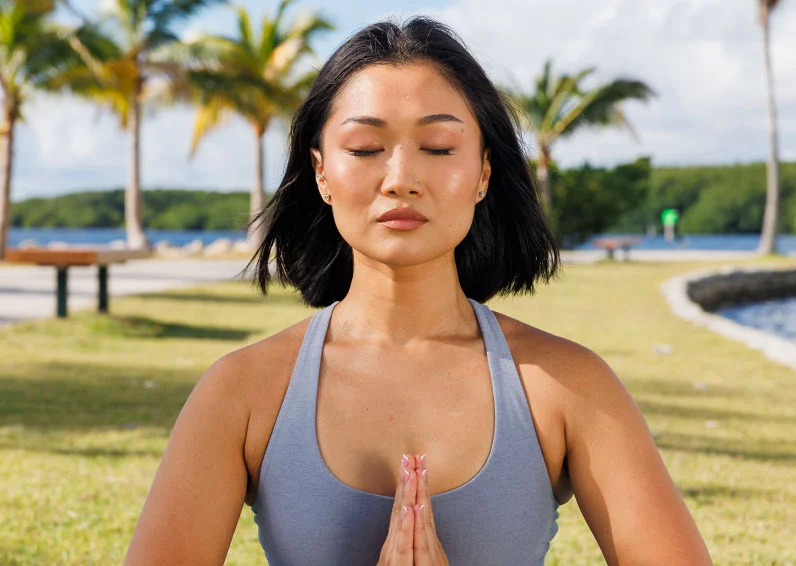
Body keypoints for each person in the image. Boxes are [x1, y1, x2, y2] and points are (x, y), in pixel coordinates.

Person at [124, 16, 713, 566]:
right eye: (364, 149)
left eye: (438, 148)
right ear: (322, 172)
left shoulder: (567, 386)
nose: (401, 179)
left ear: (483, 172)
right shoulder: (242, 392)